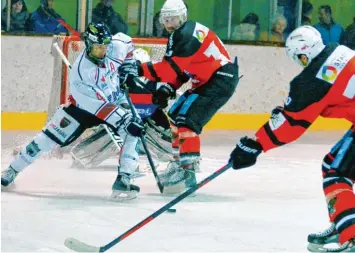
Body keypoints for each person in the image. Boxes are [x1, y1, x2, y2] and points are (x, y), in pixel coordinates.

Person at [229, 25, 355, 252]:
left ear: (303, 55)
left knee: (336, 172)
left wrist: (255, 144)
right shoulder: (341, 51)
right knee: (333, 163)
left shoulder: (311, 80)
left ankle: (352, 235)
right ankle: (343, 219)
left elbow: (292, 125)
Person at [1, 22, 145, 201]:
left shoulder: (115, 47)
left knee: (133, 131)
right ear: (89, 45)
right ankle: (13, 169)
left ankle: (124, 178)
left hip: (113, 100)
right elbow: (98, 107)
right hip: (83, 109)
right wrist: (123, 119)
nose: (103, 51)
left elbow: (128, 42)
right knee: (45, 140)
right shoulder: (81, 72)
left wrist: (128, 67)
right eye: (98, 48)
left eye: (105, 47)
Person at [120, 0, 239, 194]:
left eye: (173, 19)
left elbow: (169, 70)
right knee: (175, 115)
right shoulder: (182, 33)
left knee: (187, 122)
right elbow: (182, 70)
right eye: (166, 19)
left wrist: (139, 68)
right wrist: (168, 88)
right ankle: (179, 164)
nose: (169, 23)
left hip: (220, 79)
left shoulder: (187, 35)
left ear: (182, 16)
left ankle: (187, 170)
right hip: (209, 79)